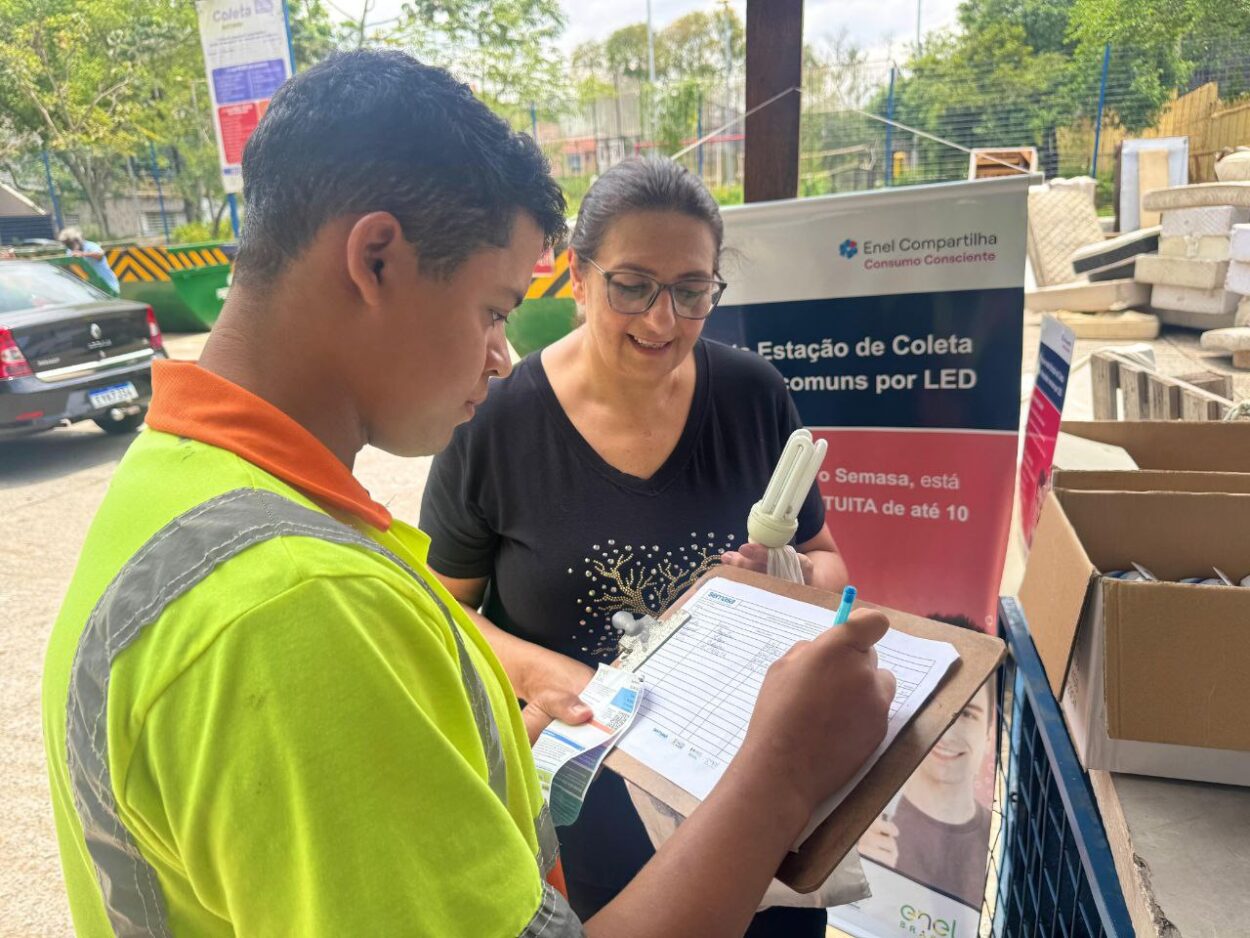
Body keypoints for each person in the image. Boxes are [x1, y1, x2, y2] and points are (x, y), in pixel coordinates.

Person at [42, 50, 896, 938]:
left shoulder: (187, 486)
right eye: (493, 311)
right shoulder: (298, 608)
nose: (499, 357)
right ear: (376, 259)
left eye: (690, 294)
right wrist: (785, 769)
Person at [419, 158, 849, 935]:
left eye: (692, 291)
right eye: (632, 286)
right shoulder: (493, 427)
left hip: (754, 775)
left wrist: (789, 576)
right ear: (577, 278)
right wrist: (562, 677)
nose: (663, 321)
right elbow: (441, 613)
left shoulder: (755, 397)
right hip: (594, 795)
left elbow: (828, 562)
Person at [857, 614, 994, 908]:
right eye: (932, 702)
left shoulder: (994, 847)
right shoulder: (853, 814)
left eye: (967, 713)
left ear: (989, 732)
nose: (947, 729)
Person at [57, 226, 120, 295]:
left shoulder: (90, 246)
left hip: (109, 287)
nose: (69, 246)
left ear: (76, 240)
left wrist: (83, 254)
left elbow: (99, 255)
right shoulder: (70, 251)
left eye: (69, 243)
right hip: (92, 290)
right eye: (67, 244)